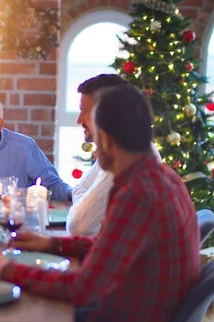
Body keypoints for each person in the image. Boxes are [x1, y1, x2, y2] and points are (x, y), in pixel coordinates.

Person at [0, 85, 200, 322]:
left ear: (106, 139)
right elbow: (113, 247)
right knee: (31, 318)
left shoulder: (136, 195)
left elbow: (82, 288)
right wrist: (52, 245)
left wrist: (5, 270)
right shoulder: (161, 178)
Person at [67, 74, 161, 237]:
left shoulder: (128, 168)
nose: (79, 120)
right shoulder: (133, 155)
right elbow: (79, 189)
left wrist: (86, 209)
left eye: (87, 112)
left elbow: (78, 226)